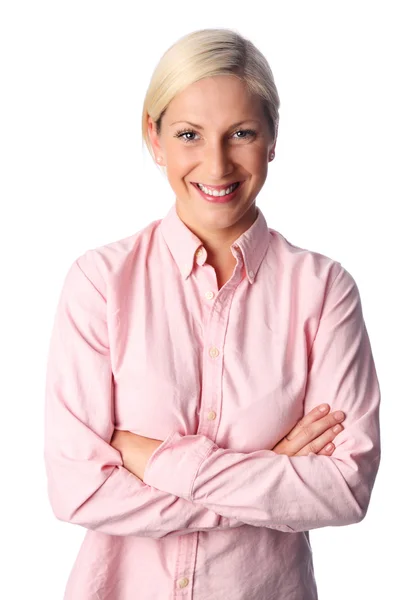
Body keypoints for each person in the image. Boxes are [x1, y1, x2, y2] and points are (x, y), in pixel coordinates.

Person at [43, 27, 381, 600]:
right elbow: (77, 491)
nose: (217, 164)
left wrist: (155, 460)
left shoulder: (325, 292)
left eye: (242, 133)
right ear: (154, 139)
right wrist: (270, 477)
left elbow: (345, 491)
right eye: (189, 134)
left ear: (273, 138)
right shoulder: (100, 284)